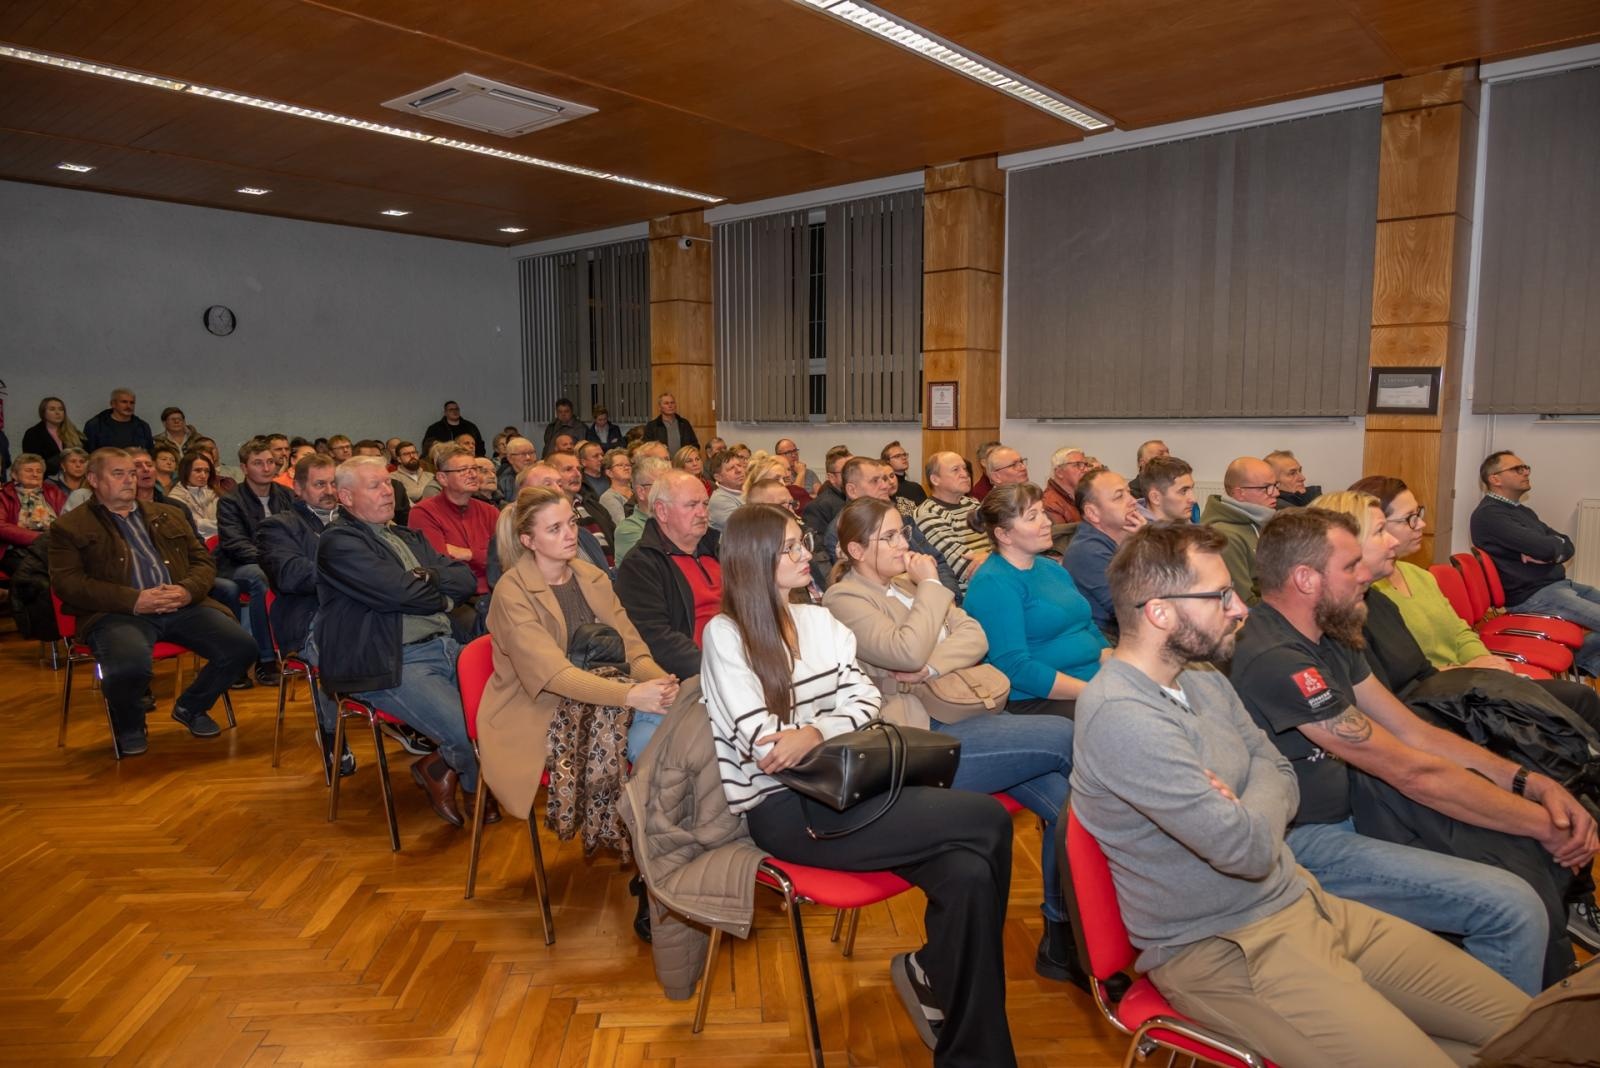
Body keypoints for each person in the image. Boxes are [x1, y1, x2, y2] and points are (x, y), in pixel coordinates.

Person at [1071, 521, 1527, 1067]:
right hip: (1227, 949)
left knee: (1533, 1035)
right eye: (1220, 597)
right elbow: (1247, 850)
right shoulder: (1123, 716)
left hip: (1305, 904)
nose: (1240, 608)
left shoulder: (1204, 678)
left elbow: (1279, 771)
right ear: (1160, 612)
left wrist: (1244, 798)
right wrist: (1249, 803)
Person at [702, 503, 1018, 1065]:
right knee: (989, 820)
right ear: (754, 560)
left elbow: (866, 699)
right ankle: (955, 1009)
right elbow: (767, 747)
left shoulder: (820, 620)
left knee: (969, 874)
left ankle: (964, 1035)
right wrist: (810, 732)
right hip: (788, 811)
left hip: (851, 786)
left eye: (804, 543)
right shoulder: (726, 636)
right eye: (793, 548)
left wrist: (814, 729)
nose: (807, 555)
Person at [1231, 507, 1597, 988]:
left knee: (1522, 848)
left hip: (1364, 806)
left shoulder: (1328, 632)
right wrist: (1545, 824)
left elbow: (1414, 733)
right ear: (1305, 578)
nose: (1365, 574)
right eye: (1349, 566)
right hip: (1309, 839)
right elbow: (1411, 771)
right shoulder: (1277, 658)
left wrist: (1532, 784)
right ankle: (1500, 1043)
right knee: (1512, 904)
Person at [823, 497, 1084, 985]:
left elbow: (975, 635)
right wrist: (930, 592)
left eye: (904, 533)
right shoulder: (845, 599)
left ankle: (1060, 933)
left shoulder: (908, 585)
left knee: (1071, 805)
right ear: (856, 549)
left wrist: (931, 664)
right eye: (891, 538)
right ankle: (1063, 934)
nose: (905, 545)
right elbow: (902, 647)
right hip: (923, 742)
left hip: (962, 713)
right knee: (1067, 734)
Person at [479, 486, 678, 818]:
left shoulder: (592, 577)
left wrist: (664, 685)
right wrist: (632, 695)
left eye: (571, 523)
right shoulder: (512, 592)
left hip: (603, 692)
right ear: (528, 541)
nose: (570, 534)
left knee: (675, 719)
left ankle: (658, 837)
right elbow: (554, 675)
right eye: (555, 529)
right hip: (537, 709)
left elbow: (632, 649)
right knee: (659, 739)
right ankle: (658, 835)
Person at [1353, 474, 1600, 735]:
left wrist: (1482, 659)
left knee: (1580, 698)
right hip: (1442, 699)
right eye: (1410, 518)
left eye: (1419, 513)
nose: (1422, 523)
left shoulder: (1420, 576)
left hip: (1471, 681)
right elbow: (1400, 678)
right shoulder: (1366, 598)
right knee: (1566, 718)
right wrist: (1469, 669)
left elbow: (1460, 632)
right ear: (1372, 529)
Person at [48, 447, 257, 755]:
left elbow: (203, 562)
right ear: (93, 479)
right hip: (117, 613)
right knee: (129, 667)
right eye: (118, 474)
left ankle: (191, 706)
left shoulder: (168, 514)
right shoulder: (70, 527)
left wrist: (187, 590)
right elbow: (69, 584)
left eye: (132, 473)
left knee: (242, 648)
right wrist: (135, 600)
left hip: (180, 605)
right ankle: (130, 724)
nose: (129, 480)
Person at [316, 456, 482, 826]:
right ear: (345, 496)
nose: (387, 492)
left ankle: (436, 768)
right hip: (391, 660)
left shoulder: (407, 535)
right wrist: (442, 596)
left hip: (446, 646)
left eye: (388, 484)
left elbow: (465, 579)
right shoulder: (338, 543)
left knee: (500, 714)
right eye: (374, 486)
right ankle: (477, 794)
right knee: (463, 730)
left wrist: (429, 579)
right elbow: (398, 592)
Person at [963, 483, 1107, 716]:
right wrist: (1093, 691)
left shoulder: (1051, 568)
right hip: (1037, 698)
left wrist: (1119, 670)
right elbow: (1016, 668)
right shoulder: (993, 584)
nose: (1047, 522)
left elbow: (1087, 626)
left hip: (1090, 681)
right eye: (1032, 517)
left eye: (1042, 512)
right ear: (1003, 534)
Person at [1471, 450, 1600, 678]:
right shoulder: (1490, 515)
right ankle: (1576, 662)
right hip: (1533, 596)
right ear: (1495, 479)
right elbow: (1547, 547)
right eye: (1516, 469)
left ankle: (1581, 663)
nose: (1525, 472)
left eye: (1525, 468)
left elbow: (1566, 545)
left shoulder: (1522, 511)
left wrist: (1551, 550)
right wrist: (1549, 549)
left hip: (1557, 585)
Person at [612, 468, 722, 681]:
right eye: (692, 505)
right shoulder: (641, 565)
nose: (702, 513)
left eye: (705, 504)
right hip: (692, 677)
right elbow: (656, 639)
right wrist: (718, 671)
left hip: (738, 663)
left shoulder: (719, 551)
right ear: (661, 511)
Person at [216, 436, 294, 686]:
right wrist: (272, 562)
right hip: (239, 566)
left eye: (271, 462)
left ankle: (305, 651)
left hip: (280, 562)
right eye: (258, 463)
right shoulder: (230, 500)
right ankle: (265, 659)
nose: (267, 467)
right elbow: (235, 544)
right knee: (260, 579)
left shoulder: (287, 496)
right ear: (244, 468)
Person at [819, 458, 958, 597]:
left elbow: (938, 562)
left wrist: (951, 598)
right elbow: (864, 589)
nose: (885, 485)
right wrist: (934, 593)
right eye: (875, 481)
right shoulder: (841, 532)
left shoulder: (900, 518)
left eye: (884, 479)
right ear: (852, 490)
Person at [408, 443, 498, 621]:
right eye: (463, 470)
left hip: (496, 593)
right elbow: (440, 565)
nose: (472, 474)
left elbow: (506, 558)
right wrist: (486, 556)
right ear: (442, 478)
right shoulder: (423, 512)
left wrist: (469, 554)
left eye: (474, 468)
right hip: (455, 601)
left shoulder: (490, 511)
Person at [1061, 467, 1147, 636]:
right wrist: (1145, 545)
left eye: (1129, 492)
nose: (1133, 501)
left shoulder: (1127, 537)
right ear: (1093, 513)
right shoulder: (1088, 551)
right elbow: (1134, 611)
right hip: (1109, 640)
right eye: (1119, 496)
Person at [1199, 455, 1279, 603]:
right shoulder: (1226, 537)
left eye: (1275, 485)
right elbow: (1243, 601)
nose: (1275, 493)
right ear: (1240, 493)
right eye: (1266, 488)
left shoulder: (1258, 521)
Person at [913, 451, 991, 594]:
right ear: (935, 480)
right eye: (956, 470)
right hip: (972, 594)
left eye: (964, 468)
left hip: (997, 579)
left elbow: (1005, 541)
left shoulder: (972, 504)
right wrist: (997, 555)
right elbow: (966, 568)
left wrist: (989, 556)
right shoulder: (928, 513)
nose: (965, 474)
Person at [1, 453, 66, 569]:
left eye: (39, 471)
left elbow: (69, 518)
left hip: (55, 546)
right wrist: (39, 538)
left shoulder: (54, 491)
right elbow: (2, 527)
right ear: (14, 474)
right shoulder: (4, 494)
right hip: (18, 549)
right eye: (29, 470)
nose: (35, 474)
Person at [611, 456, 668, 564]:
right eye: (661, 485)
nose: (670, 490)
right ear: (641, 492)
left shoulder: (678, 518)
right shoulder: (628, 530)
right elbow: (658, 567)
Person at [799, 445, 852, 547]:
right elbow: (817, 550)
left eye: (856, 470)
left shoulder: (864, 497)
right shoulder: (818, 507)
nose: (853, 476)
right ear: (831, 478)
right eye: (846, 472)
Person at [165, 451, 221, 540]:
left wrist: (200, 523)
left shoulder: (216, 493)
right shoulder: (174, 499)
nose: (203, 475)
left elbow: (227, 524)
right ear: (185, 471)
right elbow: (189, 529)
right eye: (198, 470)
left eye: (207, 471)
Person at [22, 396, 85, 474]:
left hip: (73, 477)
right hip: (47, 478)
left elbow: (85, 456)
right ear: (43, 413)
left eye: (61, 409)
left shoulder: (74, 432)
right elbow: (32, 461)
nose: (57, 413)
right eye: (52, 409)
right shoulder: (33, 434)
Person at [82, 388, 154, 452]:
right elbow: (88, 453)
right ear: (113, 404)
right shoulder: (95, 425)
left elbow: (149, 452)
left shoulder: (143, 427)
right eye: (124, 402)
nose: (128, 406)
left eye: (132, 403)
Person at [1138, 455, 1198, 523]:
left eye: (1191, 489)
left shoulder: (1186, 524)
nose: (1193, 500)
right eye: (1183, 491)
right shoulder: (1135, 531)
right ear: (1155, 498)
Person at [1041, 446, 1091, 525]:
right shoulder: (1050, 504)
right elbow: (1062, 537)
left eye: (1085, 464)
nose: (1086, 469)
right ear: (1059, 472)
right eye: (1077, 465)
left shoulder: (1084, 495)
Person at [705, 449, 747, 531]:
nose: (739, 470)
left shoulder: (747, 490)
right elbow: (745, 528)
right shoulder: (720, 499)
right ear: (718, 477)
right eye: (731, 468)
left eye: (739, 465)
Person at [881, 440, 925, 505]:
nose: (904, 458)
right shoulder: (884, 488)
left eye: (904, 455)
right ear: (887, 461)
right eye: (897, 456)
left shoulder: (916, 488)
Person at [597, 449, 632, 527]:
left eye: (628, 465)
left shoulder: (637, 491)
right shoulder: (608, 498)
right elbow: (624, 526)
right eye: (620, 465)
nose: (626, 468)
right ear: (609, 473)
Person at [496, 436, 538, 501]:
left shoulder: (543, 475)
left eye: (531, 453)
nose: (528, 458)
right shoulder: (503, 482)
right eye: (523, 454)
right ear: (510, 458)